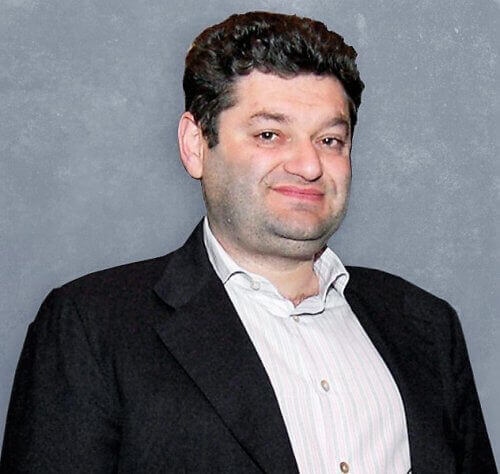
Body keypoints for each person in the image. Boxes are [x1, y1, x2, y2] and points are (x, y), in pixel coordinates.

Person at [0, 11, 496, 474]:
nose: (308, 165)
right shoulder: (92, 327)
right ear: (196, 145)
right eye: (269, 135)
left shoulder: (426, 327)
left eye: (329, 140)